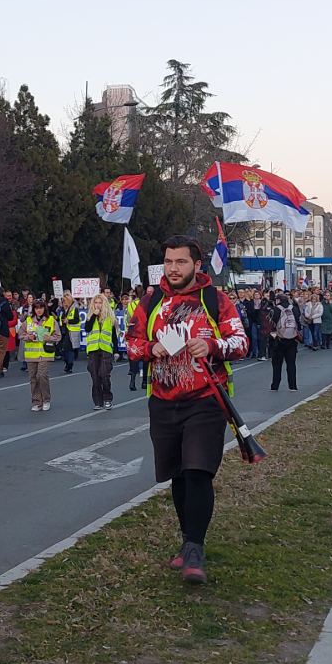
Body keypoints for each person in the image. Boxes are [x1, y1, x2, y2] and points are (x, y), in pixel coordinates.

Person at [124, 235, 248, 585]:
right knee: (178, 474)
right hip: (163, 401)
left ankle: (195, 547)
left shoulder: (216, 300)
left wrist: (211, 344)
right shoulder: (150, 301)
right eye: (168, 262)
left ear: (197, 264)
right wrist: (152, 348)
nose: (173, 269)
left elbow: (241, 342)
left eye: (180, 262)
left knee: (198, 471)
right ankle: (187, 539)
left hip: (206, 399)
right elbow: (130, 344)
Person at [20, 298, 61, 411]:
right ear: (33, 309)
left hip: (45, 353)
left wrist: (50, 338)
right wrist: (28, 337)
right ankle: (37, 401)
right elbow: (20, 334)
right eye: (36, 308)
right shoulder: (28, 321)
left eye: (41, 308)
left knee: (42, 376)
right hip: (31, 354)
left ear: (44, 308)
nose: (39, 310)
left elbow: (58, 336)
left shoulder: (51, 320)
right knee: (33, 378)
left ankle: (46, 399)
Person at [84, 293, 117, 409]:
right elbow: (87, 328)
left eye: (100, 303)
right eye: (96, 303)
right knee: (95, 377)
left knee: (104, 374)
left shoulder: (110, 318)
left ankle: (107, 398)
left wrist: (116, 351)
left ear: (104, 304)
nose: (98, 305)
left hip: (106, 349)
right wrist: (94, 316)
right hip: (93, 350)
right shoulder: (90, 316)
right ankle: (98, 401)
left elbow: (114, 336)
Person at [268, 291, 300, 391]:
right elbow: (298, 321)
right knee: (291, 364)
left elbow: (271, 325)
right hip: (292, 339)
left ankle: (275, 385)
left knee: (277, 365)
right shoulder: (294, 309)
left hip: (279, 340)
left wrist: (272, 339)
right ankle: (293, 386)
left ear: (278, 300)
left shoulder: (275, 309)